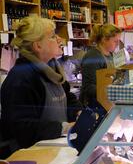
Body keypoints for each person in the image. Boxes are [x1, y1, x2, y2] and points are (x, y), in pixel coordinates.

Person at [0, 16, 81, 154]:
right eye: (52, 36)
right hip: (28, 159)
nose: (59, 39)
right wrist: (64, 128)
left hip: (53, 150)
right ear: (38, 46)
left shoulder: (53, 69)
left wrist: (78, 113)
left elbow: (67, 98)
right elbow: (23, 127)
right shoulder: (21, 78)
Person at [80, 24, 122, 107]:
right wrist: (111, 91)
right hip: (94, 106)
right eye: (115, 41)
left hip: (107, 102)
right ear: (104, 39)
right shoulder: (92, 57)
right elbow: (88, 87)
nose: (117, 44)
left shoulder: (111, 55)